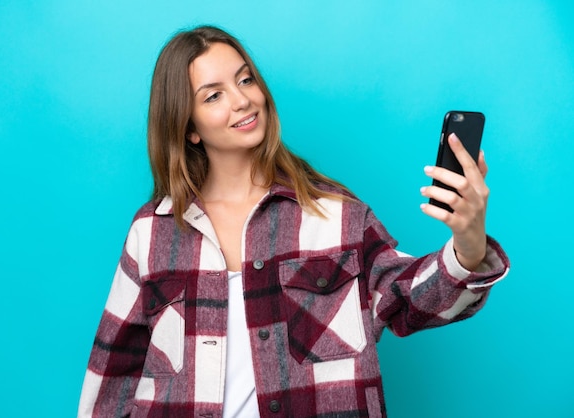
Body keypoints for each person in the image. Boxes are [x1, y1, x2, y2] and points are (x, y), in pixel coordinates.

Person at [77, 25, 509, 418]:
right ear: (189, 128)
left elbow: (407, 301)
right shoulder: (152, 231)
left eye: (245, 79)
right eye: (213, 95)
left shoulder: (334, 213)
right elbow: (113, 375)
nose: (243, 99)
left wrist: (468, 245)